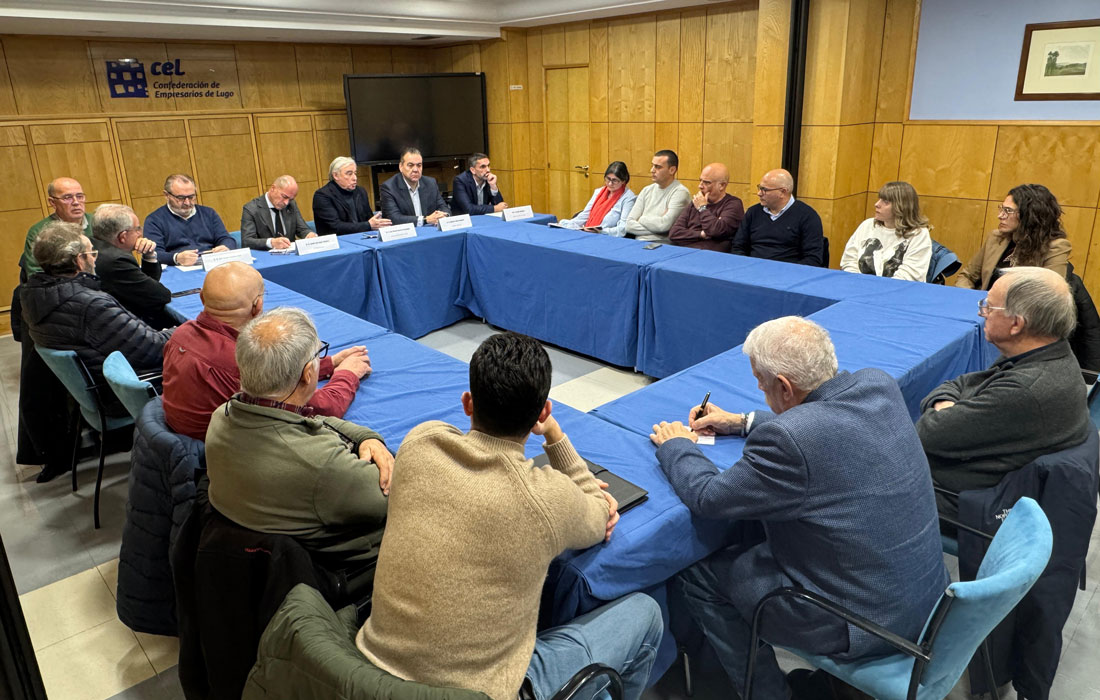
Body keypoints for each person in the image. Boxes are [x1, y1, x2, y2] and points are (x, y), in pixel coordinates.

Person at [649, 316, 946, 700]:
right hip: (925, 597)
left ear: (785, 387)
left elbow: (709, 497)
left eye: (761, 382)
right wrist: (742, 422)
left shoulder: (789, 440)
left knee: (701, 577)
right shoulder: (878, 384)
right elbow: (828, 420)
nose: (759, 389)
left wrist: (677, 445)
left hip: (861, 621)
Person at [357, 332, 662, 700]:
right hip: (480, 692)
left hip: (370, 674)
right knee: (646, 613)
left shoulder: (420, 442)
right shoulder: (546, 498)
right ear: (543, 412)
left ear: (468, 403)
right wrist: (554, 435)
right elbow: (599, 514)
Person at [204, 307, 389, 568]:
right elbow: (390, 498)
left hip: (251, 555)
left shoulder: (222, 416)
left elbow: (313, 418)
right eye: (318, 355)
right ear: (308, 374)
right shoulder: (322, 465)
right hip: (342, 567)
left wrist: (367, 437)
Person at [917, 267, 1090, 518]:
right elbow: (961, 383)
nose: (981, 313)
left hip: (963, 498)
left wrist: (945, 408)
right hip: (990, 479)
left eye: (989, 306)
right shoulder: (1050, 353)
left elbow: (926, 434)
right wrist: (949, 405)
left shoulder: (1026, 390)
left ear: (1016, 324)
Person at [162, 262, 372, 441]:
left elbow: (279, 373)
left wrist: (329, 363)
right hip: (231, 450)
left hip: (184, 439)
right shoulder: (241, 360)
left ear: (202, 299)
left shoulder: (180, 334)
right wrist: (348, 374)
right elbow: (320, 408)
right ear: (258, 306)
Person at [19, 222, 173, 419]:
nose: (95, 259)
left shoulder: (34, 294)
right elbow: (153, 350)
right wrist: (179, 331)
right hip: (121, 393)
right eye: (92, 253)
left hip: (94, 389)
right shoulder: (90, 304)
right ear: (80, 261)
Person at [956, 183, 1071, 291]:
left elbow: (1051, 296)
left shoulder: (1056, 247)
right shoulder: (995, 237)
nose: (1000, 215)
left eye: (1008, 211)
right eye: (1001, 208)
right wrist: (969, 300)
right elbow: (967, 276)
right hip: (982, 306)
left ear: (1030, 216)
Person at [89, 203, 175, 330]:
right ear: (123, 236)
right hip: (119, 329)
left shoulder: (93, 246)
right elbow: (160, 296)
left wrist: (149, 256)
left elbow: (145, 286)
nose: (140, 234)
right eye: (137, 229)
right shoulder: (116, 261)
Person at [839, 181, 932, 281]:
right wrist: (856, 282)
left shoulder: (919, 234)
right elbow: (849, 260)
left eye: (886, 202)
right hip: (859, 288)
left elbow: (909, 275)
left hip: (897, 293)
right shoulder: (867, 225)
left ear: (901, 207)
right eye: (879, 199)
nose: (877, 204)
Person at [732, 169, 824, 265]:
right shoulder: (753, 212)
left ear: (782, 192)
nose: (759, 193)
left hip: (787, 274)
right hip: (751, 271)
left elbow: (813, 258)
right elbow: (738, 247)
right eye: (759, 188)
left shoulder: (808, 217)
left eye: (765, 190)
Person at [144, 174, 236, 266]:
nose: (187, 203)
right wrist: (176, 258)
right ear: (166, 195)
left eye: (191, 197)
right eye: (181, 198)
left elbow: (226, 238)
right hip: (178, 269)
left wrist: (225, 247)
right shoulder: (154, 220)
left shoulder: (208, 213)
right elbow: (154, 254)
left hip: (211, 265)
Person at [21, 177, 93, 277]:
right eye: (67, 197)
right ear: (52, 202)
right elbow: (36, 274)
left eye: (80, 196)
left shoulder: (97, 222)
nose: (76, 202)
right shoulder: (40, 231)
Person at [668, 163, 745, 252]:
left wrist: (702, 208)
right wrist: (701, 234)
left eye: (706, 182)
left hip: (710, 256)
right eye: (700, 181)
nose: (700, 186)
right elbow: (674, 233)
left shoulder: (733, 204)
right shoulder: (696, 202)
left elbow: (715, 230)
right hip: (684, 252)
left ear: (722, 185)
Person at [623, 150, 691, 241]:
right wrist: (660, 230)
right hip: (638, 244)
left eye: (658, 167)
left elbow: (664, 226)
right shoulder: (646, 190)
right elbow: (628, 225)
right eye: (652, 165)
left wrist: (642, 219)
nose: (652, 170)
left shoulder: (680, 193)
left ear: (672, 170)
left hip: (662, 246)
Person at [556, 161, 637, 237]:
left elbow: (622, 229)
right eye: (608, 179)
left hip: (607, 238)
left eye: (614, 180)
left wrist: (601, 232)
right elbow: (585, 215)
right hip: (589, 233)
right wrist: (567, 224)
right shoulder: (599, 192)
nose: (610, 183)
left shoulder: (628, 198)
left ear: (623, 181)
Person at [312, 157, 390, 235]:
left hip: (363, 238)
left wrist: (378, 223)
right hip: (338, 242)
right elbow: (336, 227)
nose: (355, 178)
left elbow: (369, 218)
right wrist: (368, 225)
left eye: (355, 173)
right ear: (335, 175)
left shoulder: (360, 191)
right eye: (349, 174)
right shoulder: (322, 196)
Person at [379, 148, 451, 227]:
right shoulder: (389, 187)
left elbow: (443, 207)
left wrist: (444, 215)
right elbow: (394, 218)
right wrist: (426, 220)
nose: (416, 169)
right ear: (401, 167)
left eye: (419, 165)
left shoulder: (430, 183)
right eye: (410, 165)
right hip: (404, 235)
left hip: (430, 232)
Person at [241, 175, 316, 250]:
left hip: (290, 255)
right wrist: (271, 242)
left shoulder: (291, 204)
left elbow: (302, 229)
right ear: (273, 188)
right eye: (284, 197)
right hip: (266, 256)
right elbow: (247, 241)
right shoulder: (251, 209)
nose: (286, 203)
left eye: (290, 199)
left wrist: (309, 234)